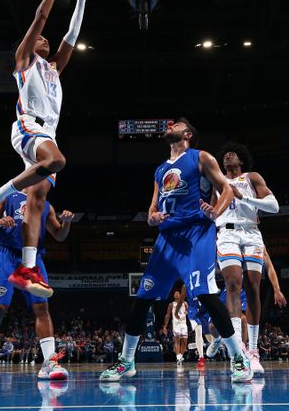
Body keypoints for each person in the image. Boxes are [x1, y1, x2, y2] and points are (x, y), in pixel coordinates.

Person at [0, 0, 88, 301]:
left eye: (47, 40)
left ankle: (27, 268)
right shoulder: (24, 61)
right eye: (40, 40)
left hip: (47, 133)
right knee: (58, 162)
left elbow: (72, 35)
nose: (45, 40)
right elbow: (41, 18)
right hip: (28, 126)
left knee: (37, 200)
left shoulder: (53, 69)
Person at [100, 118, 254, 383]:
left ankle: (238, 358)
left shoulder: (200, 157)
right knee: (142, 300)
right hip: (167, 238)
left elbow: (226, 189)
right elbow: (151, 209)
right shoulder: (160, 170)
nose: (169, 125)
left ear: (188, 134)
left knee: (205, 295)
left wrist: (214, 213)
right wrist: (152, 218)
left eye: (176, 124)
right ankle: (126, 361)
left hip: (196, 233)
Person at [0, 191, 74, 380]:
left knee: (42, 307)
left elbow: (60, 235)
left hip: (33, 257)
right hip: (7, 255)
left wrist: (67, 222)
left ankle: (49, 363)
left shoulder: (46, 206)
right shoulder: (9, 196)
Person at [214, 142, 282, 374]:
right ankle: (238, 351)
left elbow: (274, 206)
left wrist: (245, 198)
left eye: (232, 154)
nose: (228, 155)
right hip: (227, 233)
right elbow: (212, 209)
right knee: (233, 284)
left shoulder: (251, 177)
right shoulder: (217, 180)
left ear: (241, 160)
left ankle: (253, 351)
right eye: (225, 154)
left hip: (251, 232)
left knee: (253, 287)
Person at [162, 288, 189, 365]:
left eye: (178, 293)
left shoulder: (185, 303)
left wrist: (187, 313)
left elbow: (189, 312)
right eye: (175, 293)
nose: (177, 294)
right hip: (176, 323)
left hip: (183, 323)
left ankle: (181, 355)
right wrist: (165, 326)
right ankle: (178, 357)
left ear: (180, 295)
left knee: (184, 341)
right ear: (173, 295)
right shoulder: (171, 304)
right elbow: (168, 315)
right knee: (177, 340)